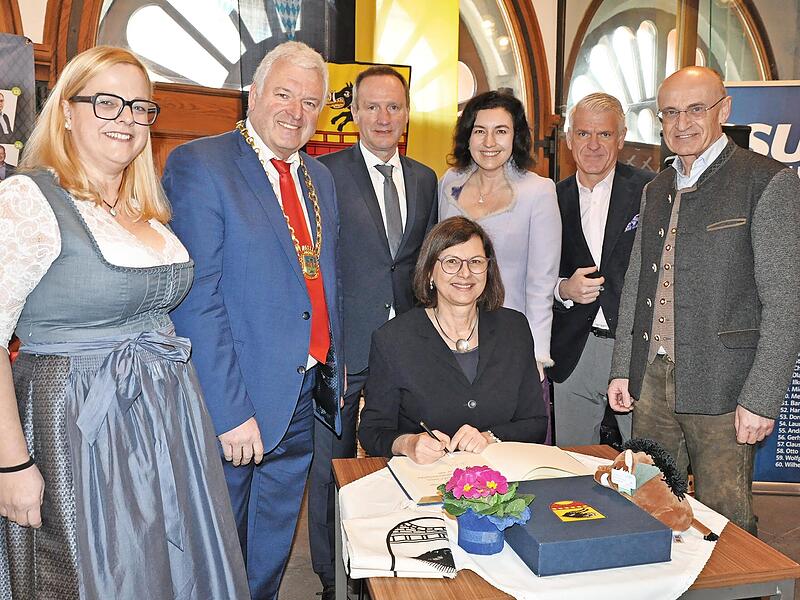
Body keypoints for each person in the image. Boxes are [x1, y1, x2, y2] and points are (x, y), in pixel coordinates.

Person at [0, 46, 248, 598]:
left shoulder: (146, 209)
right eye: (107, 103)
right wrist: (11, 466)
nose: (127, 120)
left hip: (166, 418)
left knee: (172, 567)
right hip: (78, 423)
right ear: (66, 109)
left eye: (139, 107)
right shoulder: (28, 199)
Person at [163, 41, 343, 600]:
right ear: (253, 95)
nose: (295, 112)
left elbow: (321, 284)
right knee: (218, 549)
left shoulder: (320, 177)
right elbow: (196, 298)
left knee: (269, 544)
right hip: (237, 403)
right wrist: (229, 410)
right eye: (283, 95)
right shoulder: (201, 164)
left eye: (310, 102)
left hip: (302, 392)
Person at [608, 66, 800, 534]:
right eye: (670, 113)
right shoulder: (655, 187)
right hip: (651, 380)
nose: (682, 123)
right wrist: (622, 367)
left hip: (725, 386)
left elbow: (786, 302)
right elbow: (636, 282)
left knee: (726, 519)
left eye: (696, 109)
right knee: (648, 505)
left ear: (724, 109)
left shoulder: (766, 181)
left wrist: (761, 397)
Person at [310, 65, 437, 598]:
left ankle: (394, 572)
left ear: (407, 115)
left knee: (401, 463)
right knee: (330, 471)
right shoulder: (324, 174)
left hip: (405, 351)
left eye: (394, 107)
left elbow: (422, 263)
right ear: (354, 113)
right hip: (343, 350)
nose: (384, 117)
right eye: (372, 107)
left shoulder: (427, 179)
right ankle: (329, 580)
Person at [359, 216, 548, 462]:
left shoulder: (515, 328)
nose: (465, 273)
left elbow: (535, 423)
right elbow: (372, 432)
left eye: (476, 262)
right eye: (451, 262)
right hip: (425, 479)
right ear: (429, 273)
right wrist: (408, 443)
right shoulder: (392, 339)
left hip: (504, 474)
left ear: (488, 270)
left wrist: (490, 437)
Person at [438, 91, 560, 439]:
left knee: (504, 447)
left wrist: (536, 356)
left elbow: (541, 283)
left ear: (516, 136)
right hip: (451, 340)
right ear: (467, 135)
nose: (489, 142)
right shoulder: (450, 184)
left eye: (501, 131)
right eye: (480, 131)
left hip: (509, 342)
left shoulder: (540, 192)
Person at [548, 92, 654, 446]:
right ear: (568, 140)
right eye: (583, 134)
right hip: (575, 350)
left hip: (637, 352)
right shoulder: (549, 198)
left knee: (645, 469)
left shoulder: (650, 191)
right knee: (572, 465)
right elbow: (533, 274)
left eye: (604, 135)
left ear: (621, 138)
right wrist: (563, 288)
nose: (593, 145)